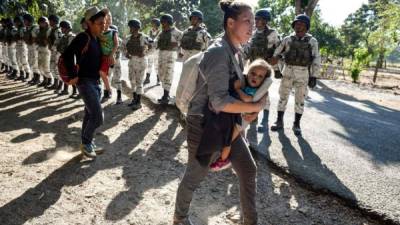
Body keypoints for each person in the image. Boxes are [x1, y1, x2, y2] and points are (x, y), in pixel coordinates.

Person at [173, 1, 264, 225]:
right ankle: (179, 218)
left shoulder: (238, 52)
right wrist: (254, 107)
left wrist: (250, 109)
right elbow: (220, 101)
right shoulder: (218, 52)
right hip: (204, 123)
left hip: (227, 122)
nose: (252, 27)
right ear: (230, 23)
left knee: (247, 168)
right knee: (195, 175)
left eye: (253, 22)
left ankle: (250, 221)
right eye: (247, 21)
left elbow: (234, 90)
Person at [196, 59, 272, 172]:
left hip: (240, 120)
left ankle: (223, 160)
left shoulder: (254, 91)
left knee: (229, 140)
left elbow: (248, 99)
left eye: (260, 76)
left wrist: (237, 89)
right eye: (253, 73)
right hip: (235, 116)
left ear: (264, 80)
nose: (255, 77)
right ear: (248, 72)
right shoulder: (244, 82)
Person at [63, 6, 105, 158]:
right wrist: (73, 74)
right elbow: (68, 54)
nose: (103, 25)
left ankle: (87, 143)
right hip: (85, 82)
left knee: (89, 115)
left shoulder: (96, 39)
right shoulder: (83, 37)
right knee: (98, 117)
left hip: (95, 82)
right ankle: (86, 143)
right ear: (90, 23)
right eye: (100, 23)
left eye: (104, 22)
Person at [270, 14, 321, 136]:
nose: (298, 26)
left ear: (307, 27)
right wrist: (276, 70)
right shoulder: (287, 39)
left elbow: (316, 59)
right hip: (288, 70)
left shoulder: (312, 41)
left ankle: (296, 124)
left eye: (301, 24)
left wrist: (314, 76)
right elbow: (276, 54)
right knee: (283, 96)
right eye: (296, 24)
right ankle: (279, 121)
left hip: (303, 73)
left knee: (300, 98)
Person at [244, 8, 281, 132]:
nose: (259, 21)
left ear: (266, 21)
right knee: (251, 92)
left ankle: (264, 120)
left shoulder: (272, 33)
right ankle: (253, 117)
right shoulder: (252, 33)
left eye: (262, 19)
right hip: (252, 68)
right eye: (257, 19)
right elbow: (248, 49)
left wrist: (276, 63)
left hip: (265, 70)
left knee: (264, 93)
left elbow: (280, 48)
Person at [123, 19, 151, 110]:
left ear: (137, 27)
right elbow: (122, 46)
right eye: (130, 27)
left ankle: (138, 102)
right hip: (132, 61)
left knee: (139, 82)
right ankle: (134, 99)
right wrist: (126, 54)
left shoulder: (144, 37)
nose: (130, 29)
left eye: (132, 27)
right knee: (132, 81)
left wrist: (145, 53)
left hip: (141, 61)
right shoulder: (128, 38)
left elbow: (153, 46)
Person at [155, 14, 182, 104]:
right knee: (161, 73)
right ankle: (166, 94)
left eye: (164, 22)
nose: (163, 23)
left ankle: (166, 95)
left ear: (169, 22)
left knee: (168, 74)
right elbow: (156, 42)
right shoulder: (161, 33)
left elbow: (182, 41)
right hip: (161, 54)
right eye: (162, 22)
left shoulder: (176, 32)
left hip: (171, 54)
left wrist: (179, 50)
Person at [99, 8, 119, 102]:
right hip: (101, 57)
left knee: (103, 73)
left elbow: (116, 44)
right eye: (106, 18)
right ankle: (106, 91)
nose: (108, 21)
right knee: (102, 74)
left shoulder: (113, 32)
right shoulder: (99, 32)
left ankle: (109, 90)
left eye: (110, 19)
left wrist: (111, 55)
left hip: (109, 57)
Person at [55, 20, 75, 95]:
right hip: (64, 57)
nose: (62, 29)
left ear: (68, 28)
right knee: (64, 73)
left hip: (71, 58)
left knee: (71, 74)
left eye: (63, 28)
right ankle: (65, 89)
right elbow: (58, 46)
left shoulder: (72, 37)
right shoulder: (62, 37)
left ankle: (74, 90)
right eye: (61, 28)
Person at [23, 13, 41, 85]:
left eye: (25, 20)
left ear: (29, 20)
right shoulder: (28, 28)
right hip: (29, 48)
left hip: (35, 48)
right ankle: (34, 77)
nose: (24, 22)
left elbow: (37, 38)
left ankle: (38, 78)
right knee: (30, 62)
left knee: (35, 63)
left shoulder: (35, 28)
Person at [36, 16, 53, 87]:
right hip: (40, 48)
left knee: (46, 66)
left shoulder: (49, 30)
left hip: (46, 49)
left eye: (42, 23)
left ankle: (49, 80)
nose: (41, 24)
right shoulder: (40, 30)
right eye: (40, 23)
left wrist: (44, 40)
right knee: (40, 66)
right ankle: (44, 79)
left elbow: (48, 41)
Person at [144, 18, 161, 85]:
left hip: (157, 50)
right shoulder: (150, 31)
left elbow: (158, 40)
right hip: (150, 50)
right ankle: (147, 78)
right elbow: (147, 39)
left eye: (154, 23)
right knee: (149, 65)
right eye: (152, 23)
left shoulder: (160, 32)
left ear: (157, 24)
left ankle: (158, 79)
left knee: (156, 65)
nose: (153, 25)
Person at [48, 15, 63, 89]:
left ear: (54, 21)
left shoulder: (58, 30)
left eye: (50, 21)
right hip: (53, 51)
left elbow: (59, 41)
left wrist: (53, 47)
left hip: (57, 51)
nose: (49, 22)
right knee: (52, 67)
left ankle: (60, 84)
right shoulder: (51, 30)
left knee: (57, 68)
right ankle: (55, 83)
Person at [14, 15, 30, 81]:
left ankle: (27, 74)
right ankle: (21, 74)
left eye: (17, 22)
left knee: (24, 61)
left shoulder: (23, 29)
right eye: (15, 22)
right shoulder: (18, 29)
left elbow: (25, 38)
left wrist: (18, 37)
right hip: (18, 46)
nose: (16, 24)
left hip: (22, 46)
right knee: (18, 60)